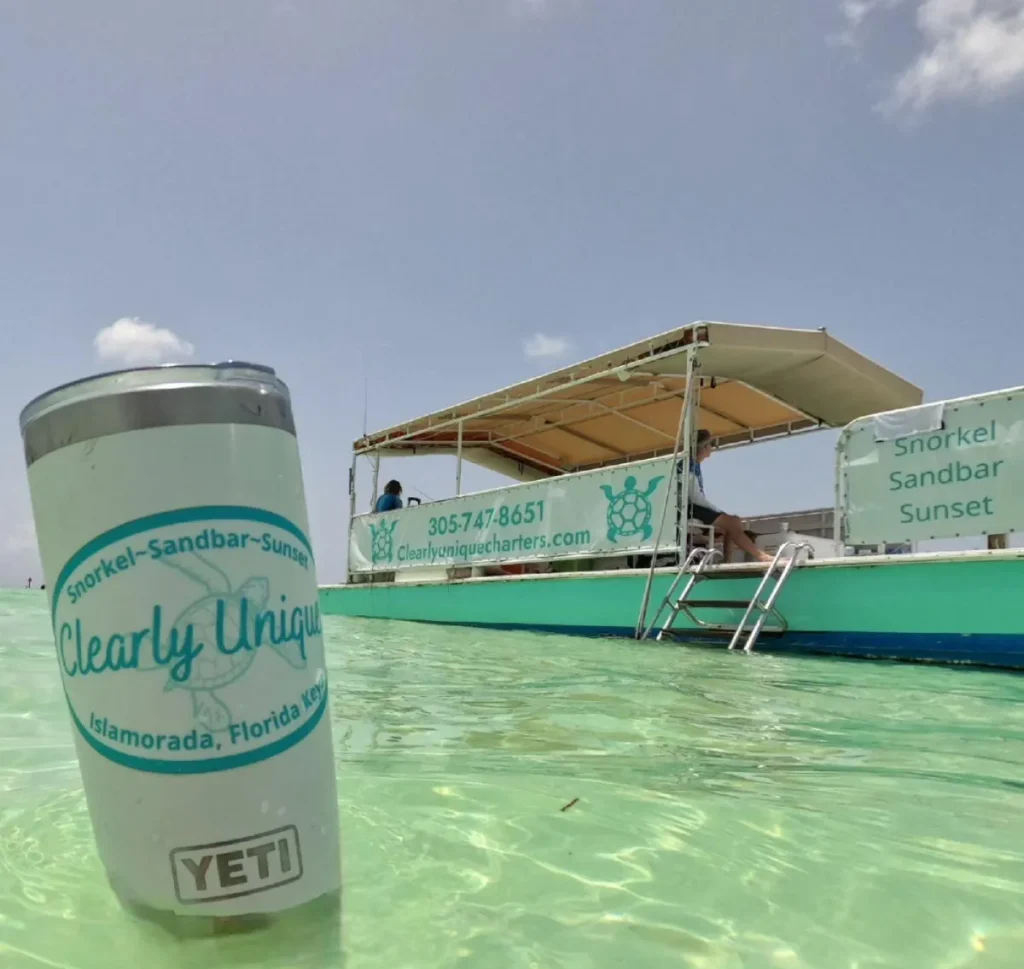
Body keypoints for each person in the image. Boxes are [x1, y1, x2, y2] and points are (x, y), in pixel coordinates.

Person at [687, 430, 773, 564]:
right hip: (689, 508)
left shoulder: (694, 464)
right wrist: (718, 511)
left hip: (694, 507)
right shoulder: (689, 465)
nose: (712, 447)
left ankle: (727, 561)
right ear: (704, 447)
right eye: (711, 444)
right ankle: (760, 556)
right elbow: (695, 497)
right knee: (732, 522)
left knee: (733, 522)